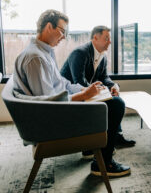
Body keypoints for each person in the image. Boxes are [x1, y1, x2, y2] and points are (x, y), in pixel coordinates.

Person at [13, 9, 130, 177]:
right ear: (48, 27)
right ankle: (103, 162)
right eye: (62, 31)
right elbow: (48, 105)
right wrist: (82, 96)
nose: (64, 36)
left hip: (56, 110)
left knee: (111, 102)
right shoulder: (36, 58)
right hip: (50, 124)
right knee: (116, 106)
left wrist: (84, 90)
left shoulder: (44, 52)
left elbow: (63, 83)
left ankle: (102, 151)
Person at [60, 25, 135, 148]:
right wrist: (100, 92)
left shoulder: (103, 56)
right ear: (95, 37)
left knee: (113, 96)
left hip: (86, 92)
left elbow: (104, 77)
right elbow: (78, 81)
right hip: (72, 96)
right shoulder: (79, 53)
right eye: (106, 38)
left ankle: (116, 135)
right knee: (113, 102)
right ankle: (90, 142)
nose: (110, 42)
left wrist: (114, 85)